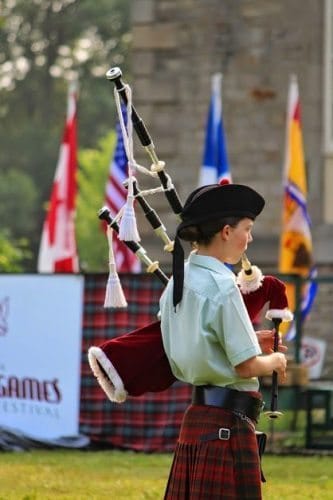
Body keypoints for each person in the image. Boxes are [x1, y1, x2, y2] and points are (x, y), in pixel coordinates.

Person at [159, 183, 288, 500]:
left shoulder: (178, 281)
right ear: (227, 232)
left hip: (197, 420)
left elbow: (197, 344)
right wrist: (276, 361)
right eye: (248, 229)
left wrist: (251, 341)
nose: (251, 238)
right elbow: (245, 366)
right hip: (227, 426)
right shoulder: (223, 286)